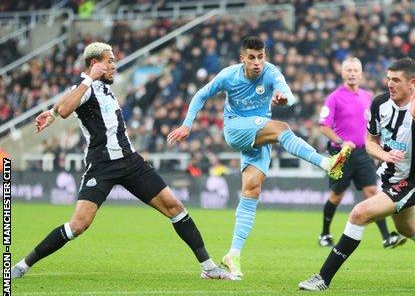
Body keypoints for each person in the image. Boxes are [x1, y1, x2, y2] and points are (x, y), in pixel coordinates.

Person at [11, 42, 238, 281]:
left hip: (130, 161)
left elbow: (63, 105)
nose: (114, 66)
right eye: (109, 61)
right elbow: (68, 107)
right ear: (94, 64)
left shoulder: (100, 88)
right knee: (78, 225)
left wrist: (52, 112)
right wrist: (74, 95)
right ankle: (23, 264)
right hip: (102, 165)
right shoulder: (85, 87)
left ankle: (209, 267)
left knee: (175, 207)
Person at [168, 36, 350, 279]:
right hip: (236, 128)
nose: (257, 62)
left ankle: (233, 254)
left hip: (260, 133)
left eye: (260, 57)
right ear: (242, 58)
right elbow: (201, 95)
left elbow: (288, 93)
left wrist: (284, 98)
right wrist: (187, 125)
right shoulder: (229, 75)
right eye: (251, 58)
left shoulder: (272, 73)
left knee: (252, 189)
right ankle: (326, 162)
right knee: (282, 127)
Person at [298, 58, 415, 291]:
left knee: (359, 213)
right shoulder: (379, 104)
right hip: (388, 177)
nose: (390, 84)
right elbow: (370, 142)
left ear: (412, 83)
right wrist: (384, 156)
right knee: (408, 228)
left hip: (412, 182)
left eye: (396, 80)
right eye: (388, 79)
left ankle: (323, 278)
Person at [318, 57, 405, 249]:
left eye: (355, 70)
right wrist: (341, 142)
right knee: (337, 195)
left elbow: (375, 128)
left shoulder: (368, 97)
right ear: (342, 73)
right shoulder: (334, 97)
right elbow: (323, 126)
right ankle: (324, 234)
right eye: (348, 70)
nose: (351, 73)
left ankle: (386, 237)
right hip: (341, 153)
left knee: (372, 192)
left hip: (363, 153)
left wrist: (377, 151)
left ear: (361, 73)